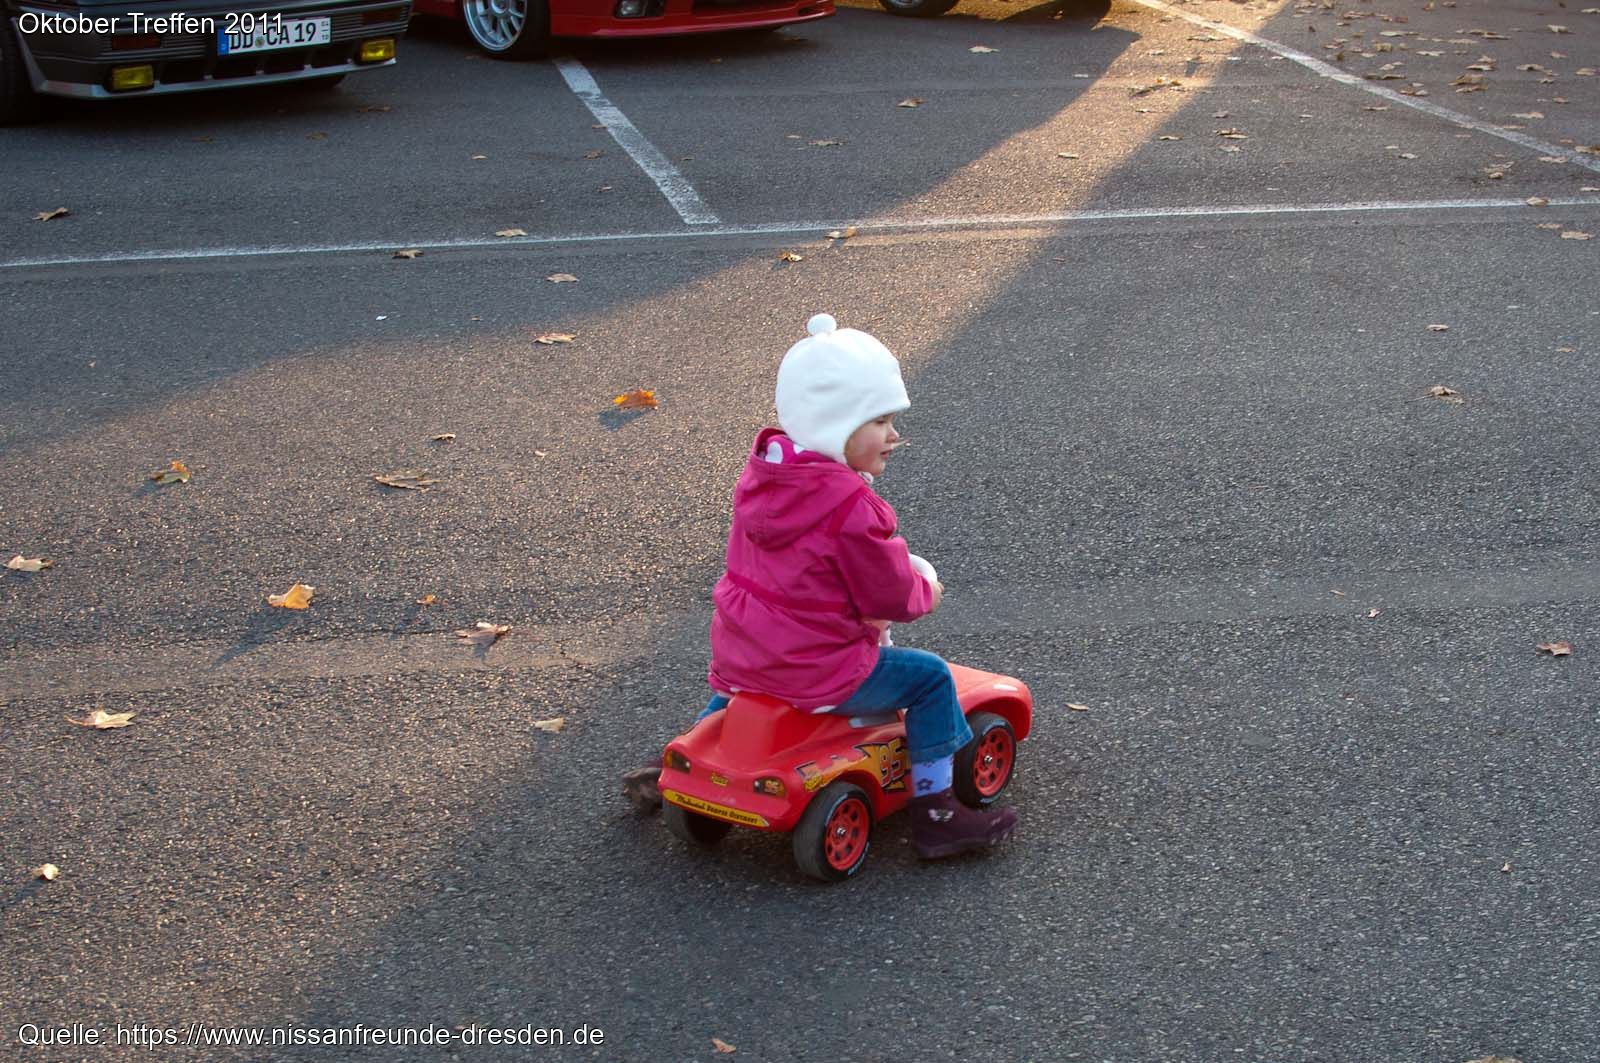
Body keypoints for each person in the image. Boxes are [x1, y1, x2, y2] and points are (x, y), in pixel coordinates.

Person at [624, 313, 1017, 859]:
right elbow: (888, 594)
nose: (894, 434)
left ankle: (681, 763)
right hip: (818, 668)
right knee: (929, 678)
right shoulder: (850, 507)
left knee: (742, 692)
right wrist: (926, 591)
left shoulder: (765, 477)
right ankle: (938, 813)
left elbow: (798, 570)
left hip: (746, 649)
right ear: (836, 426)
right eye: (879, 420)